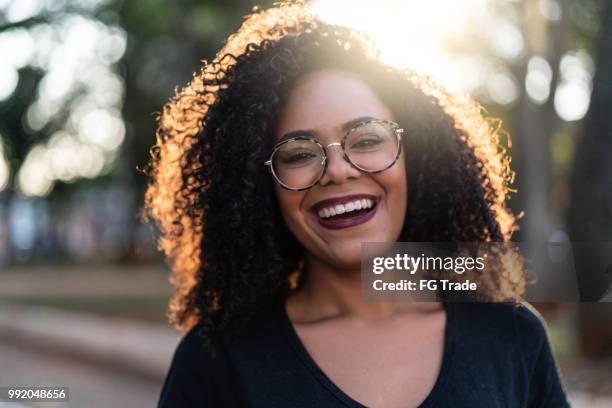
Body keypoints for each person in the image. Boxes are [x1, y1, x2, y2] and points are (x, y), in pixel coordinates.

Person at [144, 1, 570, 406]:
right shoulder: (218, 362)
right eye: (299, 154)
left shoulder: (511, 335)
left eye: (366, 140)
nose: (337, 170)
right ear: (257, 187)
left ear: (416, 157)